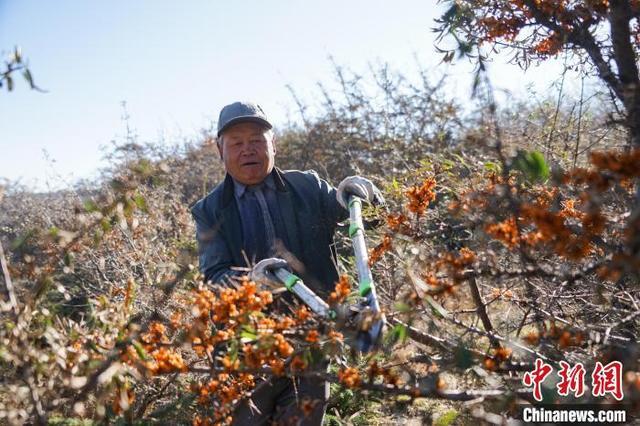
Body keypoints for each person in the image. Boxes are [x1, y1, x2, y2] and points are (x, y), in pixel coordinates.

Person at [190, 101, 383, 425]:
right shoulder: (209, 210)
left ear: (273, 144)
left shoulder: (306, 186)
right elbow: (214, 276)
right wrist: (252, 281)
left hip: (310, 339)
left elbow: (354, 212)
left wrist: (359, 193)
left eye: (256, 140)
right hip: (246, 347)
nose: (247, 150)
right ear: (219, 150)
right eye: (237, 143)